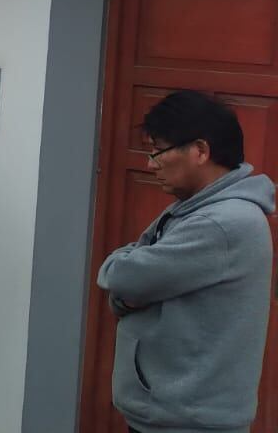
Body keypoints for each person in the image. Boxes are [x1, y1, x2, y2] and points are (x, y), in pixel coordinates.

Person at [96, 90, 275, 433]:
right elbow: (134, 273)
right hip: (176, 414)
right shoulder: (196, 208)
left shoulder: (220, 223)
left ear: (200, 151)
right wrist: (130, 284)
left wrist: (127, 282)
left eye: (158, 151)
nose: (150, 164)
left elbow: (123, 276)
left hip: (188, 421)